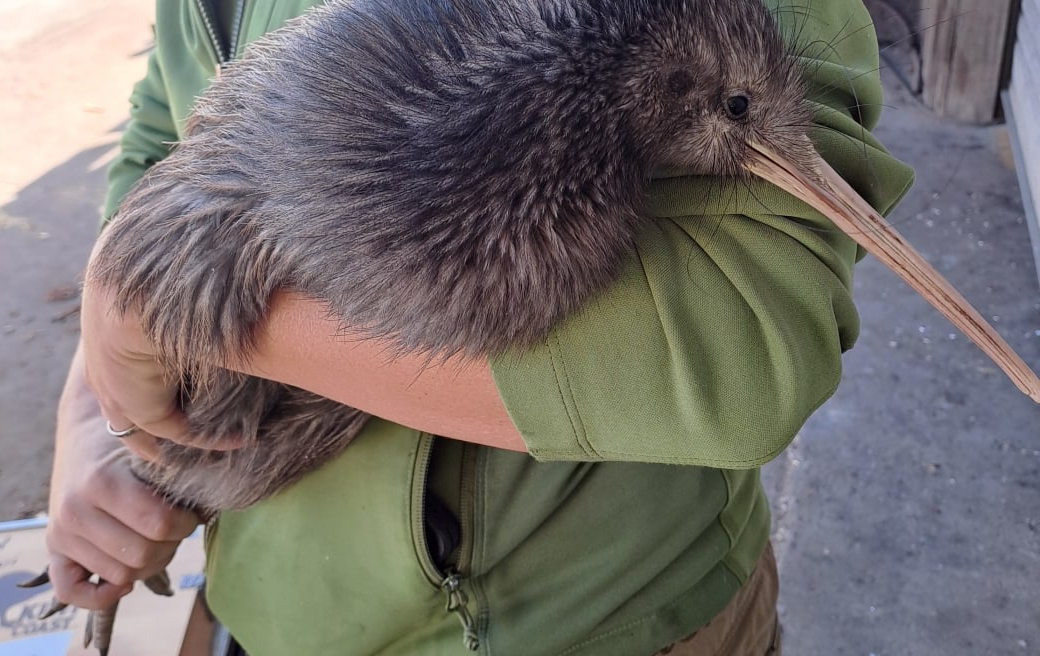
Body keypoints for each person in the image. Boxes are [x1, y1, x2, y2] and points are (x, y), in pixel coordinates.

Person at [47, 0, 914, 654]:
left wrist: (156, 309)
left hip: (603, 621)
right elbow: (167, 121)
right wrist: (95, 407)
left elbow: (750, 358)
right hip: (274, 600)